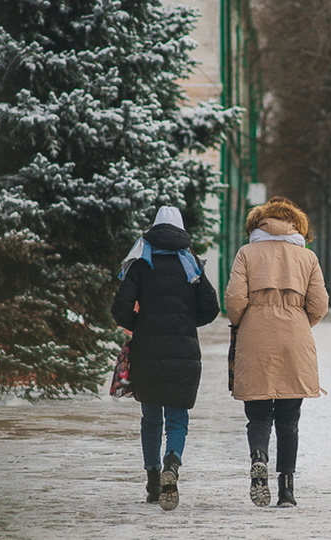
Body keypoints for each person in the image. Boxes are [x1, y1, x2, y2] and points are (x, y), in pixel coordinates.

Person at [111, 206, 219, 511]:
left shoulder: (140, 263)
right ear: (181, 230)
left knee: (151, 419)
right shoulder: (191, 262)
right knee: (177, 417)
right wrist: (185, 323)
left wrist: (141, 325)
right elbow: (211, 308)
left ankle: (153, 481)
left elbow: (119, 309)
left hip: (147, 350)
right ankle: (173, 460)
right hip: (184, 350)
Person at [225, 196, 329, 508]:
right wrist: (299, 322)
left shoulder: (247, 253)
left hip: (255, 335)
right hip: (295, 339)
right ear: (295, 225)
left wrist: (246, 322)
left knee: (258, 414)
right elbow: (320, 304)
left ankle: (259, 459)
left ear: (259, 224)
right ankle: (287, 489)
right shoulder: (306, 257)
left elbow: (233, 300)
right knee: (289, 418)